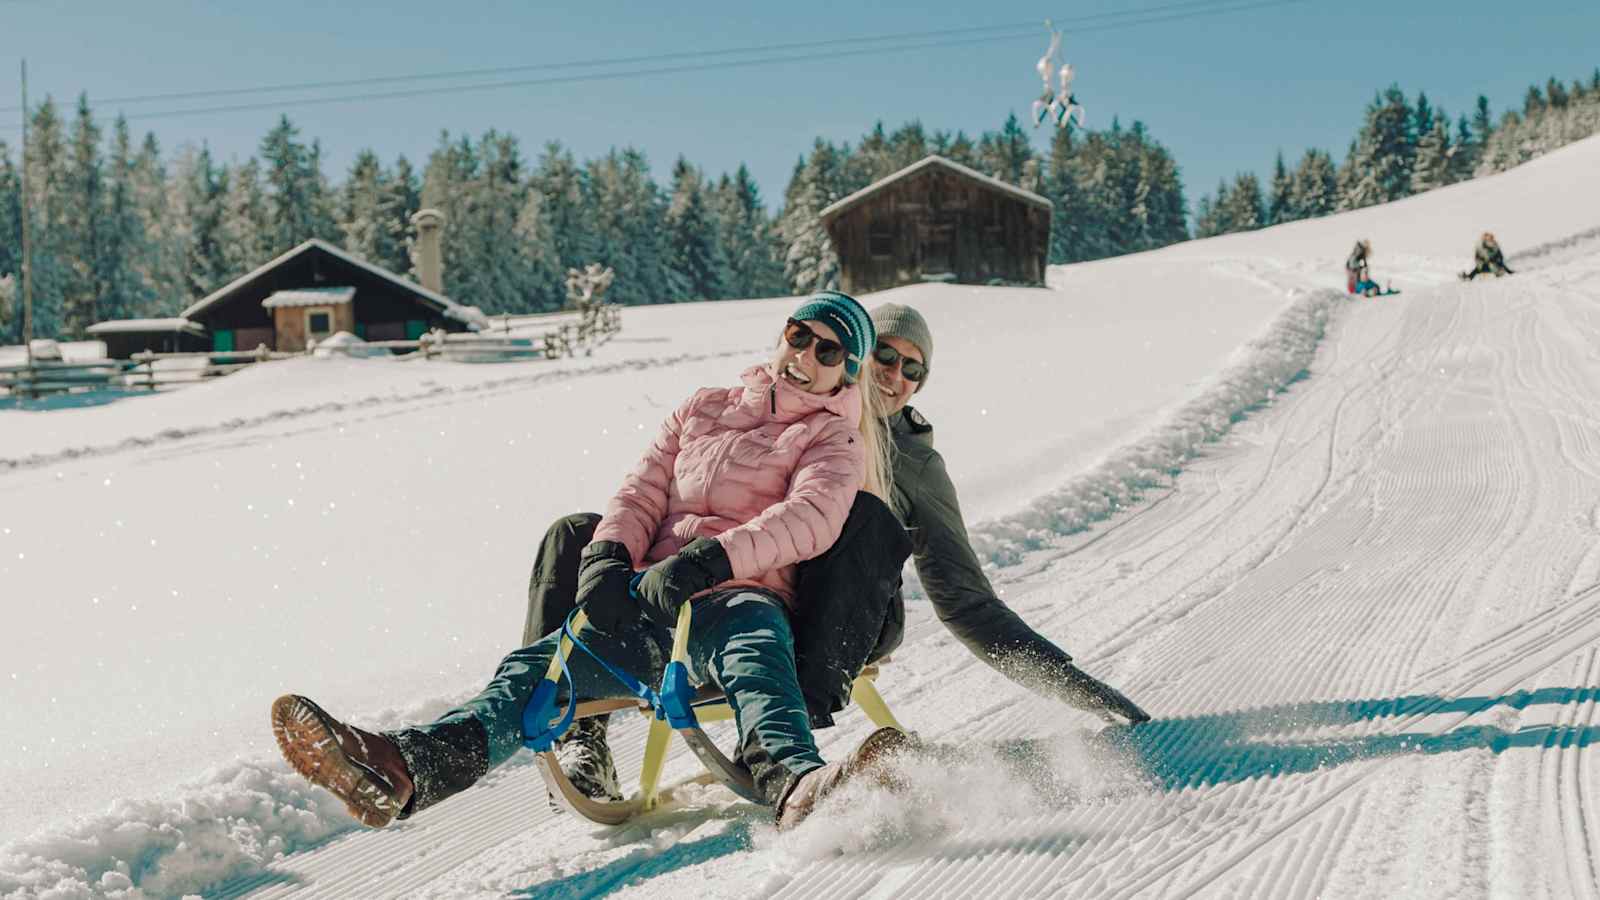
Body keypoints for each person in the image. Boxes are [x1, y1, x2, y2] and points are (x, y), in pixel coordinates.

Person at [272, 291, 911, 832]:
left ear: (845, 374)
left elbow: (811, 518)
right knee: (536, 668)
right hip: (649, 596)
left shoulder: (832, 437)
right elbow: (642, 491)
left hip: (736, 595)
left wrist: (707, 562)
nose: (805, 357)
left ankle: (796, 784)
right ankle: (408, 767)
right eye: (800, 336)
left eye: (828, 351)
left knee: (756, 658)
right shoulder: (703, 407)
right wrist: (607, 558)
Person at [525, 302, 1150, 808]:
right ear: (852, 358)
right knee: (575, 533)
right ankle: (573, 725)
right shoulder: (790, 418)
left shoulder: (916, 466)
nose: (896, 376)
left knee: (866, 518)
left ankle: (789, 720)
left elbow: (966, 601)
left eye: (915, 370)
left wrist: (1085, 693)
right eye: (885, 355)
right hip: (745, 587)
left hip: (839, 618)